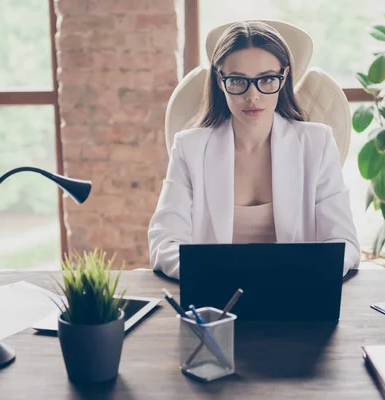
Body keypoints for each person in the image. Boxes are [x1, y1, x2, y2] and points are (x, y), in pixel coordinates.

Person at [148, 20, 360, 280]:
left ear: (283, 78)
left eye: (267, 79)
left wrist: (304, 274)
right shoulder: (189, 148)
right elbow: (163, 244)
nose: (252, 96)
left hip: (296, 294)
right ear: (219, 79)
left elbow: (345, 244)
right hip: (216, 299)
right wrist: (218, 273)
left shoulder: (318, 143)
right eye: (238, 81)